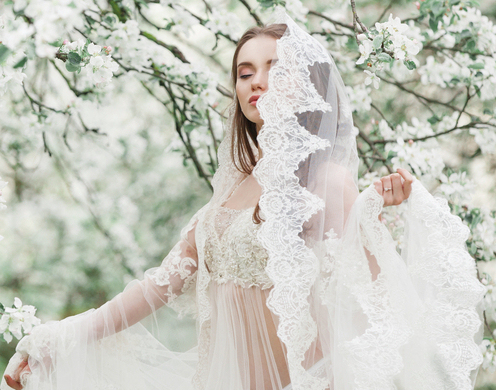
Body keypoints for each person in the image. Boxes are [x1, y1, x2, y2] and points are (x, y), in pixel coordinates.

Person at [2, 8, 485, 390]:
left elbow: (370, 298)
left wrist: (381, 214)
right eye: (244, 72)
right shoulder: (229, 192)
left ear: (307, 83)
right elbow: (155, 287)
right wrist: (59, 337)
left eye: (274, 67)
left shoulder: (328, 181)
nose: (256, 81)